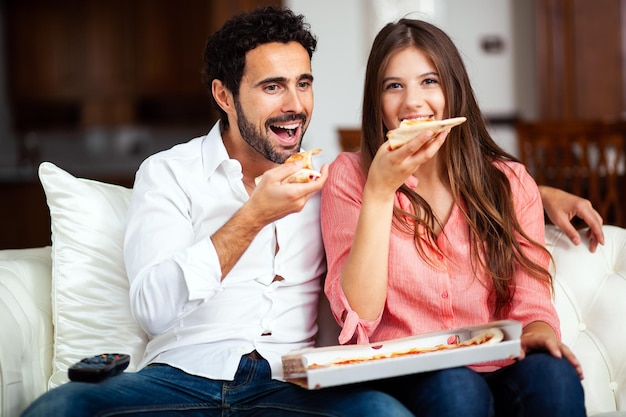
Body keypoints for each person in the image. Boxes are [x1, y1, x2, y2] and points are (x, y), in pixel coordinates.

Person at [22, 6, 597, 417]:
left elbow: (470, 189)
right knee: (60, 407)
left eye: (303, 84)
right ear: (225, 96)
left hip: (288, 383)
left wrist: (538, 194)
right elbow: (151, 309)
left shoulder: (329, 176)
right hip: (181, 377)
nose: (294, 104)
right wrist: (252, 216)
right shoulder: (168, 173)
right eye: (272, 87)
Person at [320, 18, 586, 417]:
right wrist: (379, 192)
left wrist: (539, 336)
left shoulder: (509, 182)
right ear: (376, 101)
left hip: (501, 362)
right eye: (394, 86)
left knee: (554, 376)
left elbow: (533, 307)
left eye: (430, 81)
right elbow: (361, 318)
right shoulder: (350, 176)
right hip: (409, 374)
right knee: (457, 386)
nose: (412, 102)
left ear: (453, 90)